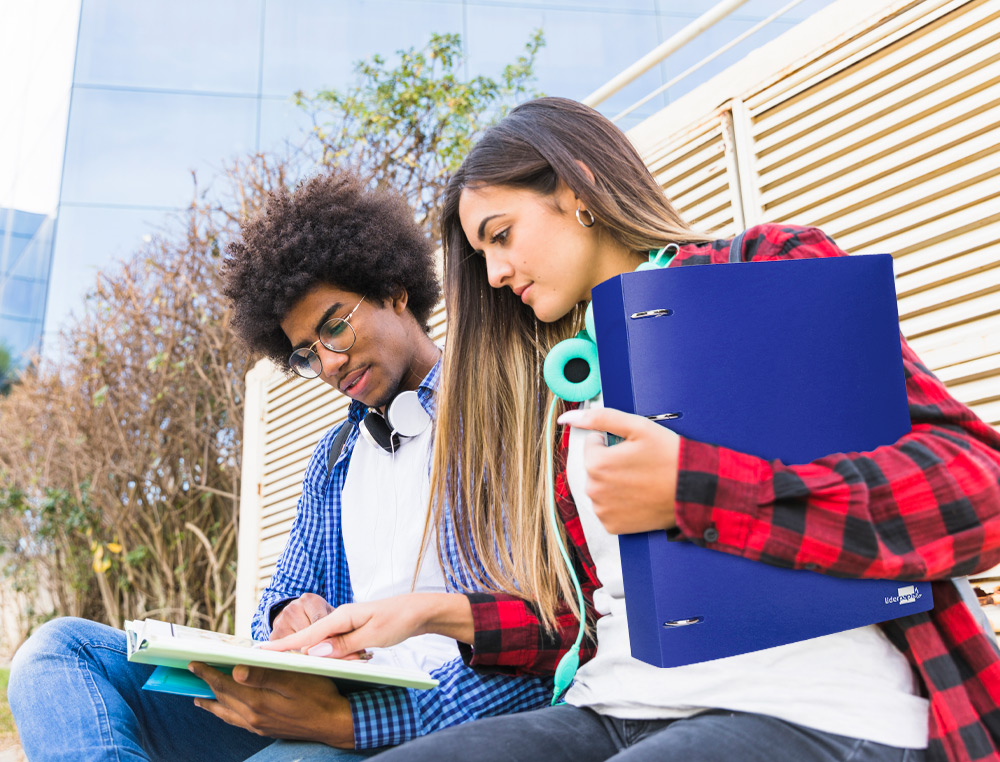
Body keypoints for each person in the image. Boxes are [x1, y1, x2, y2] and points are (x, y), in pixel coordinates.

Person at [265, 98, 1000, 762]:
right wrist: (434, 613)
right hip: (616, 703)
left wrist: (695, 488)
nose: (492, 274)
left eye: (501, 235)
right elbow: (579, 622)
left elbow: (977, 487)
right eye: (480, 254)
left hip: (810, 700)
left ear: (578, 190)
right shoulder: (563, 388)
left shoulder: (764, 268)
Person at [8, 171, 550, 762]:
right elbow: (288, 593)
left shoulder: (503, 409)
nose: (328, 364)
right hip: (328, 688)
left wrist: (349, 721)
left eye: (335, 326)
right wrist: (289, 616)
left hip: (436, 708)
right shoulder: (336, 458)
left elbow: (544, 634)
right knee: (60, 652)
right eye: (305, 352)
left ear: (395, 291)